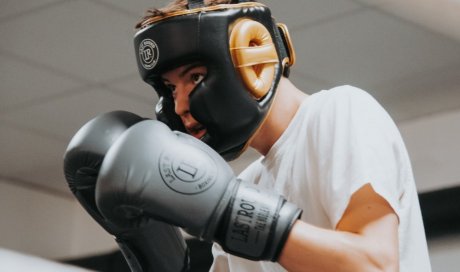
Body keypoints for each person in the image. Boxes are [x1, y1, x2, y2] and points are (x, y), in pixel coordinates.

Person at [129, 0, 431, 271]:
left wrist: (233, 217)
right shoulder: (242, 187)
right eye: (170, 88)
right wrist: (144, 238)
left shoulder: (339, 111)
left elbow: (374, 265)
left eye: (195, 77)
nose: (180, 105)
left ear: (254, 62)